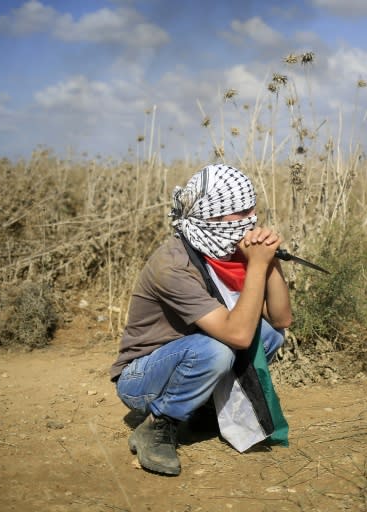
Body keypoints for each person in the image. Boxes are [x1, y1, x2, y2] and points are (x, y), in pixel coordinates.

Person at [110, 163, 292, 476]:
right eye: (237, 213)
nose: (248, 220)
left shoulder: (225, 251)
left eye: (251, 209)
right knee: (216, 349)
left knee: (269, 335)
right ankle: (157, 424)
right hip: (142, 378)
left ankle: (204, 409)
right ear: (210, 216)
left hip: (194, 354)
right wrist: (257, 267)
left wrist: (270, 261)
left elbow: (280, 318)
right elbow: (237, 336)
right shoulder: (173, 264)